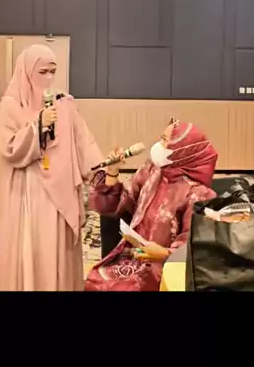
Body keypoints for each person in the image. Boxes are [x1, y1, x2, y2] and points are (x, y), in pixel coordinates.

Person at [0, 44, 103, 291]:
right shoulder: (11, 105)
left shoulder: (63, 103)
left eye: (52, 72)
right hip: (29, 193)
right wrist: (37, 125)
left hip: (61, 191)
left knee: (59, 249)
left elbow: (83, 141)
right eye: (42, 72)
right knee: (35, 248)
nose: (48, 78)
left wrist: (101, 170)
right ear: (27, 71)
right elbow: (9, 148)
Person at [85, 120, 218, 291]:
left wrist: (162, 253)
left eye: (164, 140)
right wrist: (112, 172)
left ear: (181, 151)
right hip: (131, 256)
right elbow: (114, 206)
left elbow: (192, 249)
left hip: (162, 266)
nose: (158, 144)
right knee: (95, 281)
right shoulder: (152, 172)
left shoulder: (197, 193)